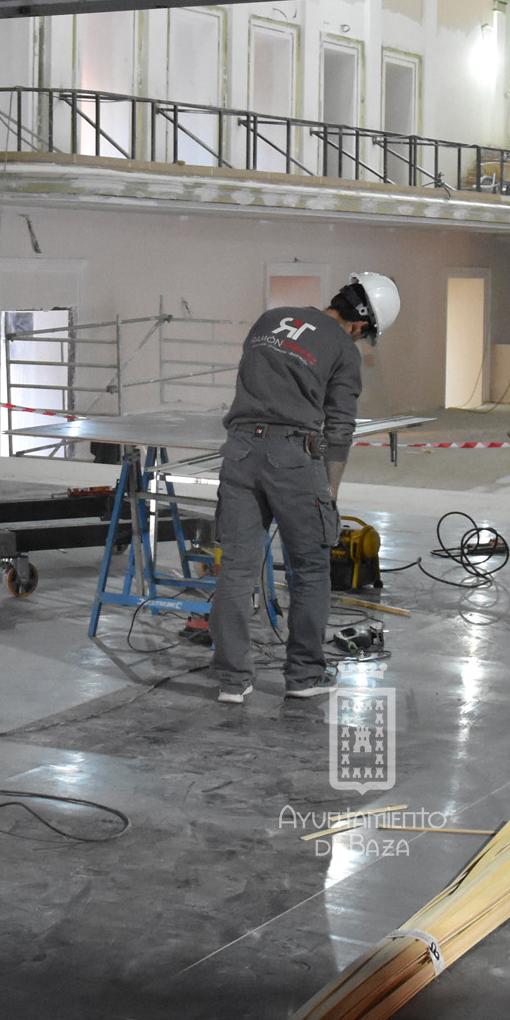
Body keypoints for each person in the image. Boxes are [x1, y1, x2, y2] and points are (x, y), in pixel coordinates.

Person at [210, 271, 400, 704]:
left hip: (239, 451)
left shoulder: (269, 319)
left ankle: (232, 680)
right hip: (293, 457)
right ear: (361, 324)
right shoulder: (342, 350)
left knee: (237, 568)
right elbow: (339, 428)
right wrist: (328, 495)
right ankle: (304, 675)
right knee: (311, 568)